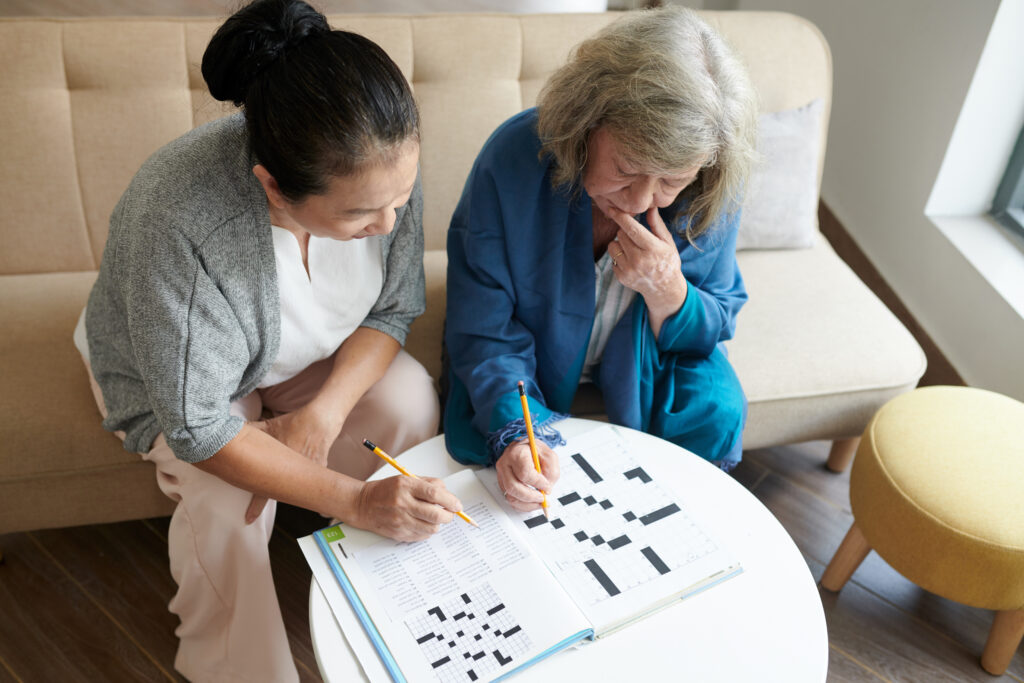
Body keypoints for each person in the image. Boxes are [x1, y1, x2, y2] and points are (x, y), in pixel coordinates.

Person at [72, 1, 457, 680]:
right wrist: (353, 496)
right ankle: (237, 662)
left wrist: (321, 416)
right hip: (182, 382)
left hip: (305, 358)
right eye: (363, 212)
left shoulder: (385, 164)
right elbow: (197, 424)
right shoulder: (182, 216)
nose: (391, 220)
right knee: (226, 501)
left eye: (400, 198)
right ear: (274, 187)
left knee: (407, 402)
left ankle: (383, 605)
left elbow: (394, 308)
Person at [443, 6, 758, 509]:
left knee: (717, 408)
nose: (638, 202)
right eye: (627, 170)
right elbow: (482, 325)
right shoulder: (513, 158)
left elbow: (715, 320)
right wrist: (516, 433)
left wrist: (667, 290)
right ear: (587, 121)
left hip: (650, 356)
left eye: (671, 181)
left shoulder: (711, 185)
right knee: (518, 467)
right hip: (527, 356)